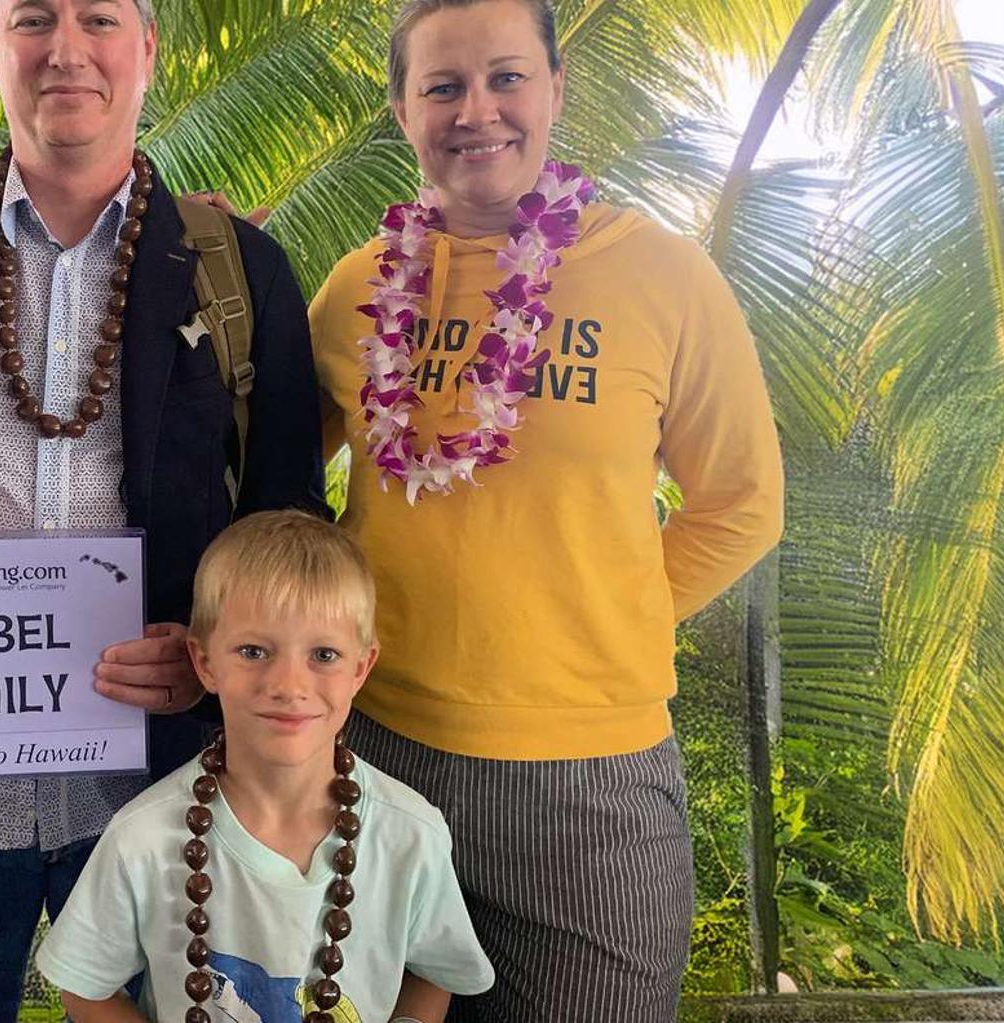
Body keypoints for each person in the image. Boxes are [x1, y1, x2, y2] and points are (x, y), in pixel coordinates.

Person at [305, 1, 785, 1020]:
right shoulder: (356, 288)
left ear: (553, 90)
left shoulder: (660, 276)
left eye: (505, 77)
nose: (475, 110)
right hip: (372, 750)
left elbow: (742, 504)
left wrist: (610, 615)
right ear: (402, 109)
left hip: (587, 789)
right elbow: (273, 490)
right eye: (441, 86)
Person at [0, 0, 325, 1017]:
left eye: (98, 18)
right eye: (31, 18)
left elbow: (286, 515)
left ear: (146, 49)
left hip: (156, 783)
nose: (65, 50)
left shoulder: (236, 272)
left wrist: (211, 655)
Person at [37, 510, 494, 1023]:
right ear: (204, 662)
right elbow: (84, 986)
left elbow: (437, 969)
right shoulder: (142, 837)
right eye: (254, 651)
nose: (288, 684)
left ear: (361, 668)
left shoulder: (410, 832)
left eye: (323, 654)